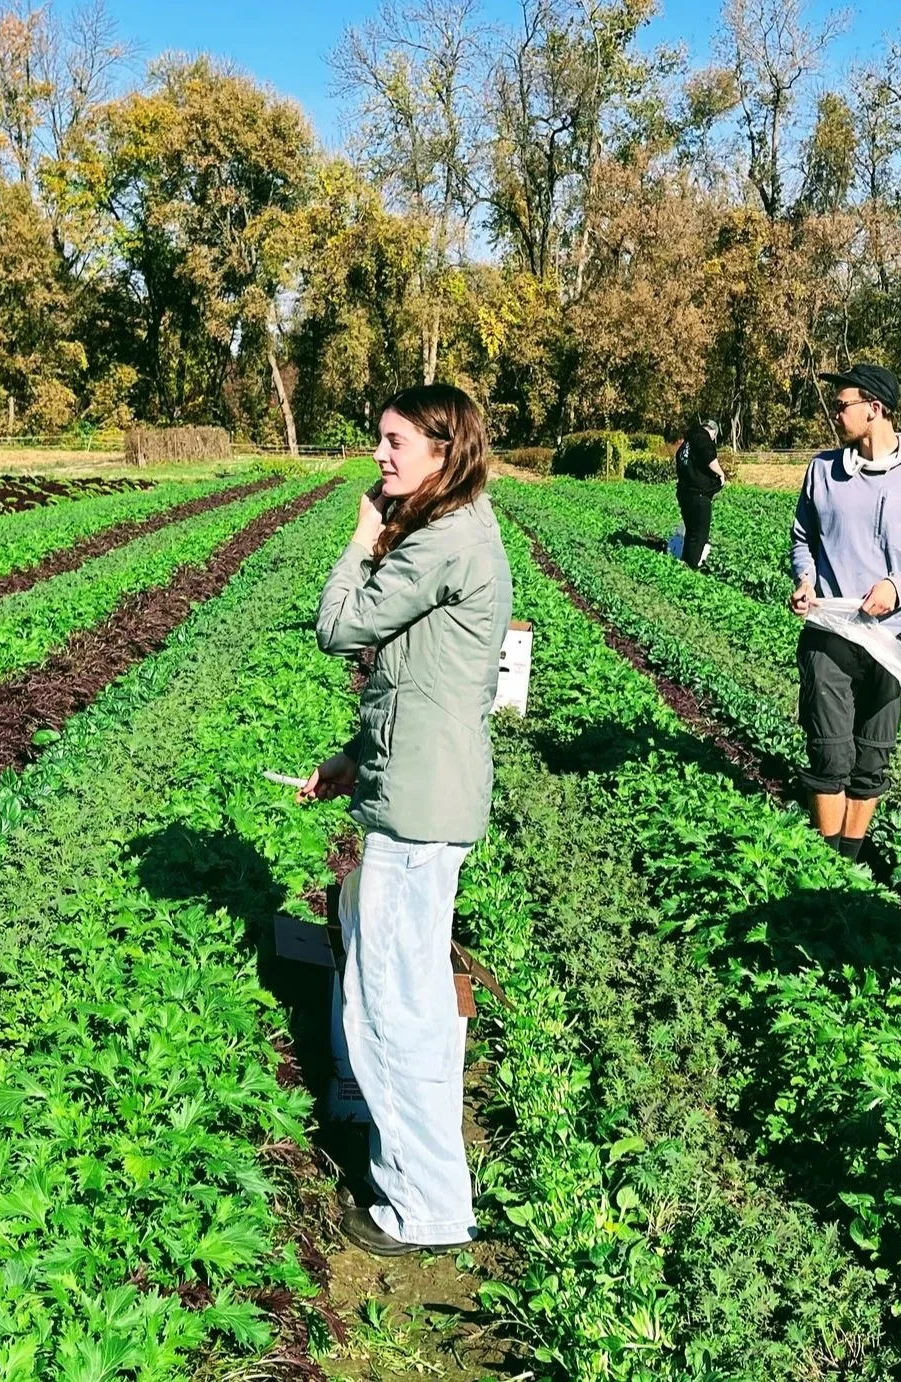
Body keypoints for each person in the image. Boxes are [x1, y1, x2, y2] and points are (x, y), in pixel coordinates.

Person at [301, 382, 513, 1257]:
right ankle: (426, 1185)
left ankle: (423, 1207)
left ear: (442, 448)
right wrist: (357, 754)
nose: (381, 457)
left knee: (394, 1006)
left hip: (422, 807)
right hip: (420, 786)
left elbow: (338, 628)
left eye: (395, 442)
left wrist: (358, 538)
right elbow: (415, 677)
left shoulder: (441, 541)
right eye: (378, 441)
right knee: (402, 983)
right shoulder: (454, 531)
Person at [788, 362, 901, 859]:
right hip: (831, 631)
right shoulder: (823, 470)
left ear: (874, 409)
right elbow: (803, 538)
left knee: (871, 757)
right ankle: (826, 862)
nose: (836, 414)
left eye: (843, 406)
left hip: (893, 635)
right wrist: (804, 578)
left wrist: (896, 588)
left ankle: (850, 860)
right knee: (829, 752)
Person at [672, 418, 724, 569]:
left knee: (691, 533)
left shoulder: (686, 445)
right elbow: (709, 456)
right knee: (700, 535)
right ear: (713, 432)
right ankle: (691, 568)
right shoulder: (702, 437)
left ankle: (685, 565)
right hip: (698, 495)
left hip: (685, 493)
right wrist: (721, 474)